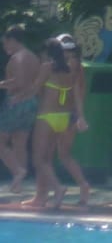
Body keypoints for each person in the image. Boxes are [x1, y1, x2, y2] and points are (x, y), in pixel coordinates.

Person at [31, 34, 90, 210]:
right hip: (68, 115)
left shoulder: (63, 66)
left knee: (46, 157)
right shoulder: (74, 66)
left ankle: (45, 194)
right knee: (61, 155)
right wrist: (80, 116)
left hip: (59, 114)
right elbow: (79, 92)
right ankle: (81, 187)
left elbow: (77, 92)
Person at [1, 26, 41, 199]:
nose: (4, 48)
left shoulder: (18, 57)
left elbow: (19, 82)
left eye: (5, 43)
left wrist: (1, 84)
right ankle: (18, 183)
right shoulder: (33, 57)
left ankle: (17, 171)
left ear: (12, 40)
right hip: (31, 102)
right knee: (20, 143)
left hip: (16, 102)